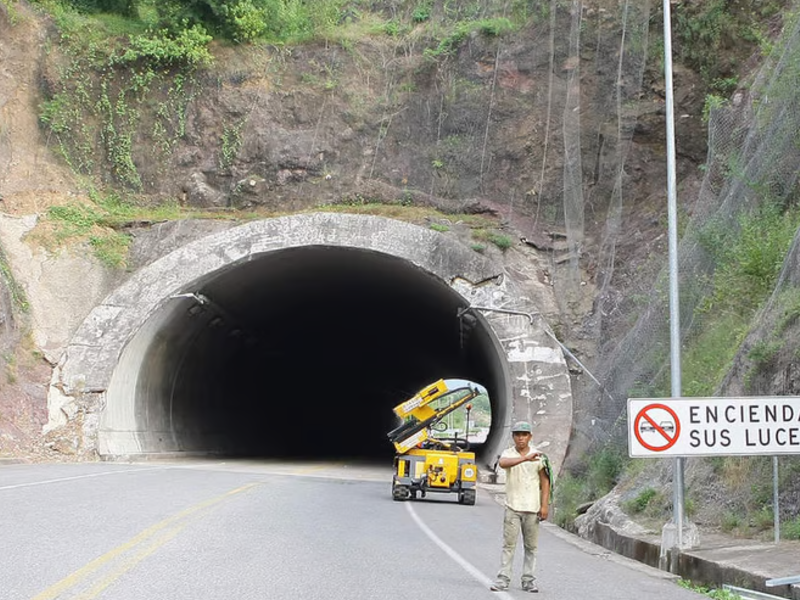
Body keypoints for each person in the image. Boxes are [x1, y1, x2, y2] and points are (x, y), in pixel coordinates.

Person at [490, 421, 552, 593]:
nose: (521, 438)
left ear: (530, 436)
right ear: (513, 437)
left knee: (531, 547)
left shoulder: (539, 457)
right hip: (512, 507)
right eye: (517, 434)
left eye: (524, 434)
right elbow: (503, 463)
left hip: (532, 508)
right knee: (508, 545)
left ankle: (528, 580)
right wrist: (525, 458)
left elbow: (545, 483)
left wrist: (544, 506)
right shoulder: (508, 454)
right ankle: (503, 579)